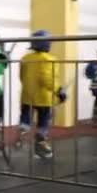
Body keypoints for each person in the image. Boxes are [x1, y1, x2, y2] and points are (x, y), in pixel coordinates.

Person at [18, 30, 67, 159]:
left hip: (27, 96)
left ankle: (23, 127)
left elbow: (21, 76)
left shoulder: (25, 58)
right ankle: (40, 145)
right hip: (43, 98)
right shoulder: (49, 59)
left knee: (26, 115)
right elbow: (47, 79)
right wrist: (59, 90)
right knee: (43, 122)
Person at [85, 48, 97, 122]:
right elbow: (88, 74)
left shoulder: (93, 63)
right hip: (96, 86)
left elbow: (88, 74)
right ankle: (96, 118)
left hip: (95, 86)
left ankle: (96, 118)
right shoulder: (93, 63)